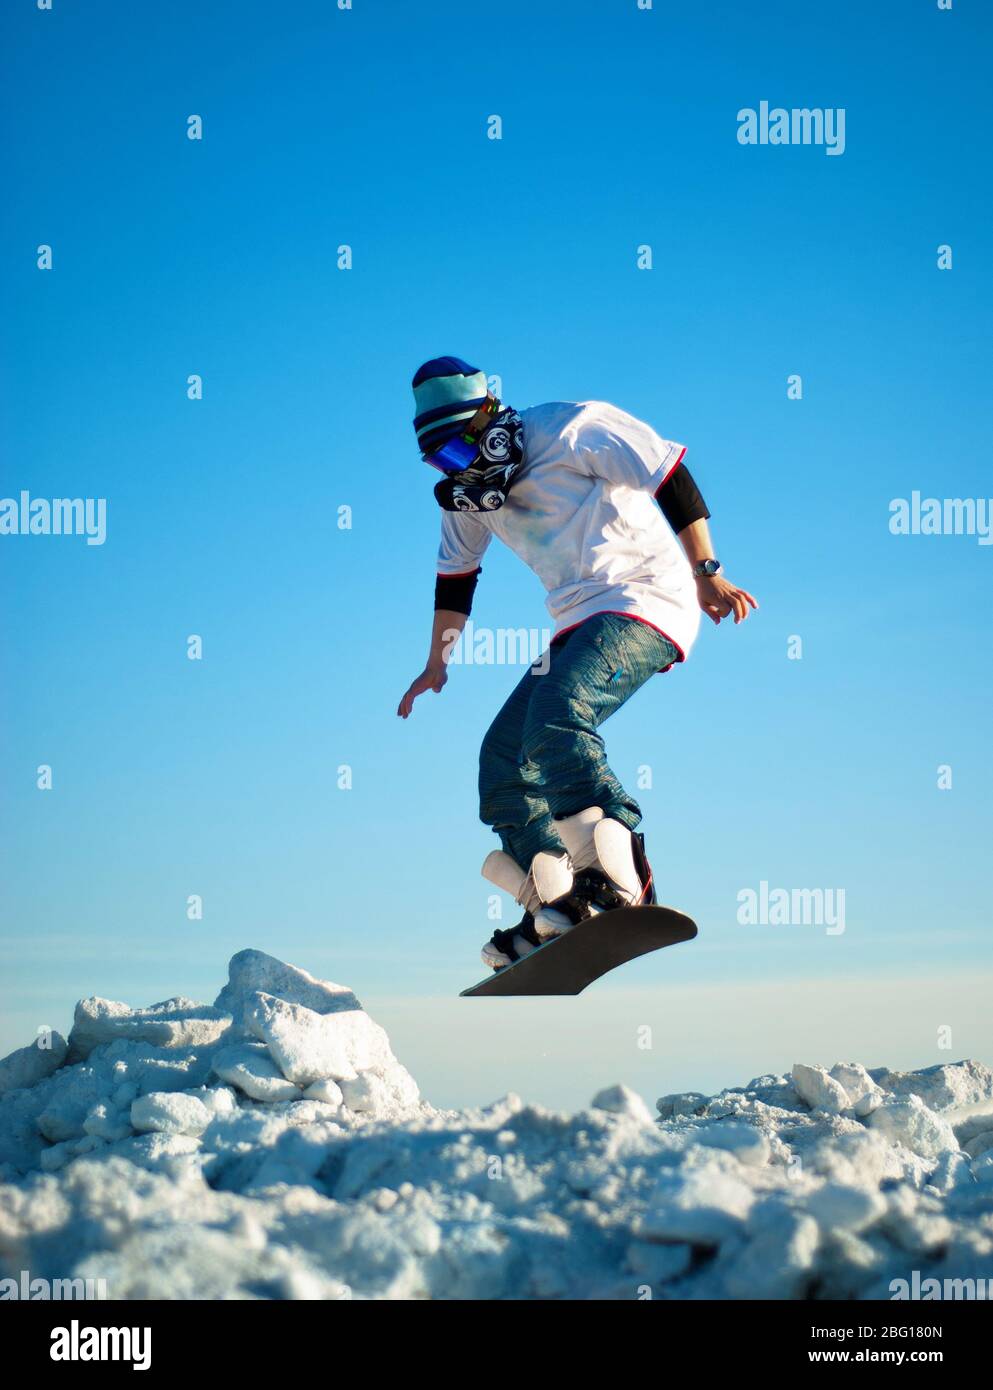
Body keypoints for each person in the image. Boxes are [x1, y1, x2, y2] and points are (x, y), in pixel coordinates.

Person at [398, 357, 757, 971]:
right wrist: (437, 662)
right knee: (504, 761)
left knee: (558, 713)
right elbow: (455, 580)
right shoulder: (467, 500)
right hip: (579, 624)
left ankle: (620, 874)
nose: (463, 471)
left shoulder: (571, 428)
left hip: (648, 599)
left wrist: (707, 573)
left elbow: (671, 473)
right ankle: (556, 901)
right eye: (443, 464)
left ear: (488, 419)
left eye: (461, 452)